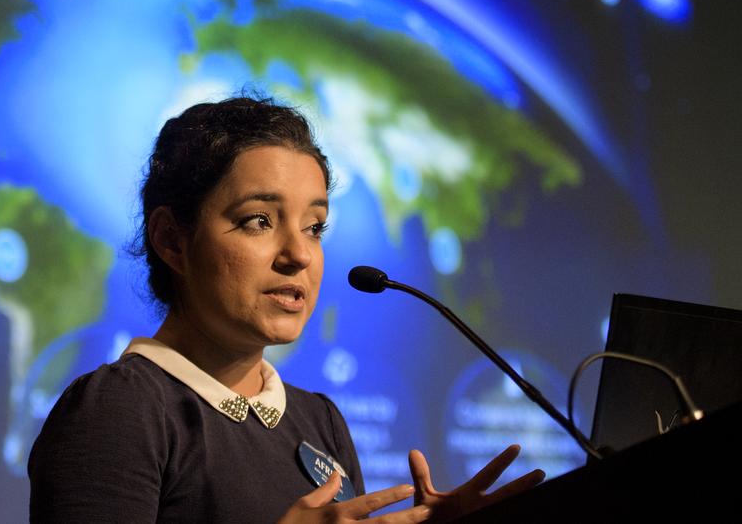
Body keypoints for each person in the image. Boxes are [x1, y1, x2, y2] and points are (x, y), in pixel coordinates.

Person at [28, 94, 544, 522]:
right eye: (258, 220)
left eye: (314, 226)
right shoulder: (120, 407)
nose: (299, 255)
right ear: (172, 240)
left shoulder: (320, 420)